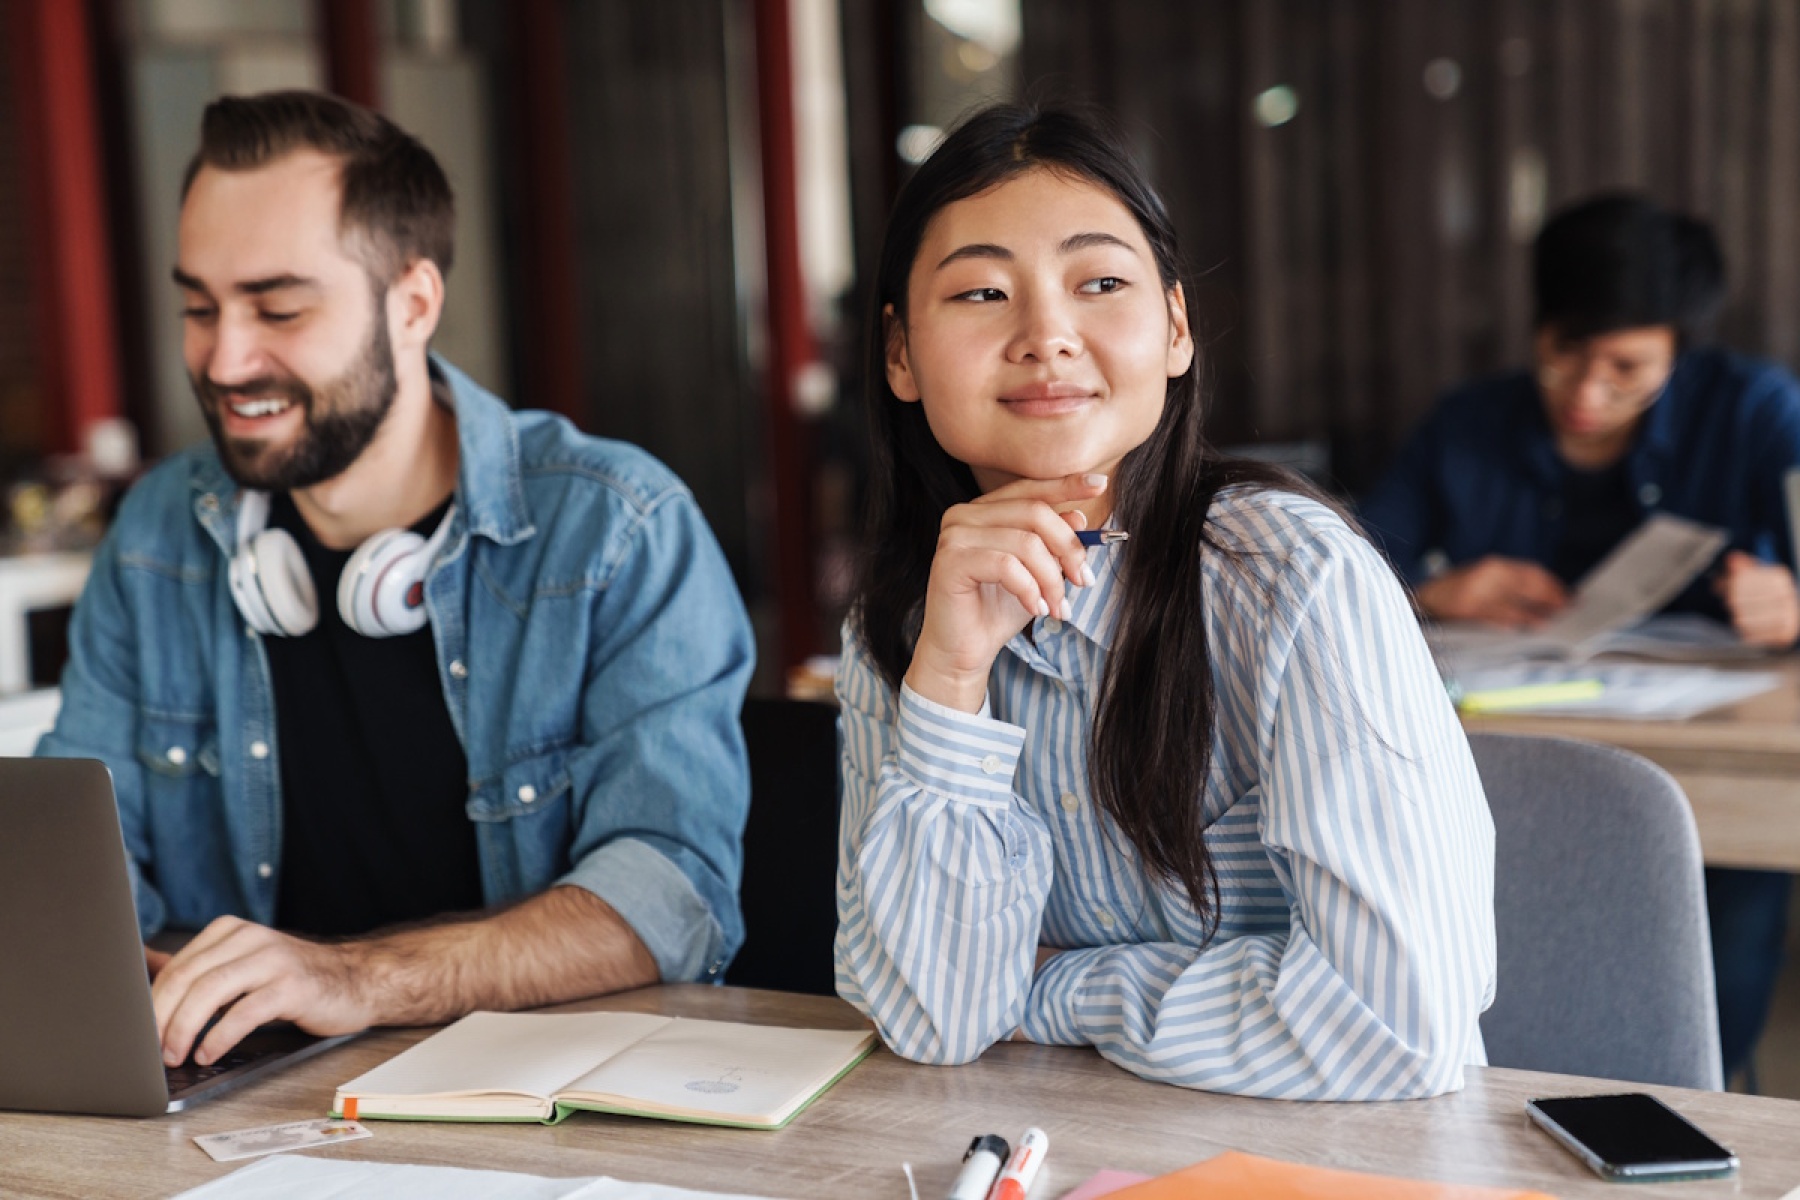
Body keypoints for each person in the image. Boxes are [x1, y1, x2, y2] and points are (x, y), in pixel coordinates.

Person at [38, 91, 754, 1070]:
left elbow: (672, 897)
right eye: (199, 308)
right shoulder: (160, 531)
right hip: (248, 1105)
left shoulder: (617, 527)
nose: (224, 357)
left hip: (544, 1097)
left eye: (278, 307)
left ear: (413, 303)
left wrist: (357, 980)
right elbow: (77, 865)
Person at [833, 102, 1496, 1101]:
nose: (1047, 337)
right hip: (1052, 1153)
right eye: (980, 293)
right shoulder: (897, 622)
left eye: (1100, 284)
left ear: (1177, 327)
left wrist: (1048, 988)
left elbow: (1394, 1025)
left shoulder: (1294, 578)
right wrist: (952, 675)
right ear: (899, 356)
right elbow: (926, 1018)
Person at [1360, 192, 1800, 1085]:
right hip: (1514, 743)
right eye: (1565, 356)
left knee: (1720, 975)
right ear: (1538, 329)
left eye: (1626, 368)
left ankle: (1710, 1094)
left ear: (1679, 348)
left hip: (1717, 746)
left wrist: (1795, 601)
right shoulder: (1469, 423)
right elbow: (1351, 566)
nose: (1588, 395)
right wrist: (1435, 589)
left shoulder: (1755, 410)